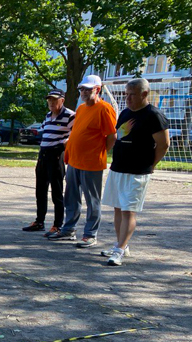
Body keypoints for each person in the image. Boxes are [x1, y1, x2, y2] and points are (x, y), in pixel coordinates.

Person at [100, 78, 170, 266]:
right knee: (117, 207)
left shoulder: (153, 115)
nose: (128, 98)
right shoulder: (124, 113)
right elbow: (120, 137)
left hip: (137, 172)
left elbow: (164, 144)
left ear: (144, 94)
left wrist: (151, 164)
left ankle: (119, 250)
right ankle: (122, 244)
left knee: (128, 211)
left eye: (132, 95)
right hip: (118, 168)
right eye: (126, 94)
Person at [47, 74, 117, 247]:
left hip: (91, 163)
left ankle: (90, 234)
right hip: (74, 161)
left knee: (92, 200)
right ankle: (69, 230)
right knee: (71, 197)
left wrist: (99, 152)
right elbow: (76, 133)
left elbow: (112, 136)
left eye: (87, 89)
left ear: (97, 90)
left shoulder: (105, 108)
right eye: (81, 89)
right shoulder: (81, 108)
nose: (83, 92)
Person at [23, 89, 75, 236]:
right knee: (40, 191)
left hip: (56, 156)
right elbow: (45, 133)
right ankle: (39, 221)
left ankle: (57, 225)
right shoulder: (48, 115)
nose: (51, 103)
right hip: (43, 156)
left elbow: (75, 135)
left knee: (57, 193)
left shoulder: (70, 116)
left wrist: (63, 145)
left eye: (54, 100)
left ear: (62, 100)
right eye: (49, 100)